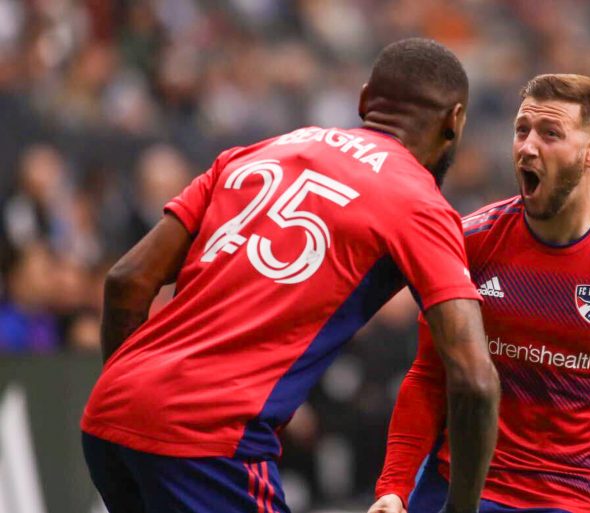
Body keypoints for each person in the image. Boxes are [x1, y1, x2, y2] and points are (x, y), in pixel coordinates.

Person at [80, 38, 500, 513]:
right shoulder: (418, 201)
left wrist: (136, 406)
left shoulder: (256, 152)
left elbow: (126, 280)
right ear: (455, 120)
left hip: (110, 418)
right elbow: (473, 380)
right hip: (209, 441)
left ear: (364, 101)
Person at [370, 74, 590, 513]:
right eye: (522, 130)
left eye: (550, 133)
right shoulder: (469, 244)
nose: (527, 146)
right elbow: (428, 375)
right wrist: (393, 487)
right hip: (455, 492)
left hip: (564, 499)